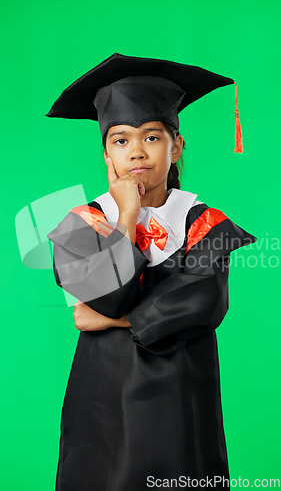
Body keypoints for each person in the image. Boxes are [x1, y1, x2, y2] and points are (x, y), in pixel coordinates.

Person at [46, 53, 257, 491]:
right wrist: (126, 217)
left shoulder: (206, 224)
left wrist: (105, 318)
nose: (136, 152)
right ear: (106, 153)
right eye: (120, 140)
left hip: (181, 400)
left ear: (176, 146)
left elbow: (203, 304)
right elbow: (111, 293)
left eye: (152, 137)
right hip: (102, 402)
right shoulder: (83, 224)